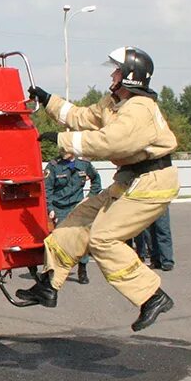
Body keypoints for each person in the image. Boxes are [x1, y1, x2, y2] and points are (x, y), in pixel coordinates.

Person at [17, 46, 179, 332]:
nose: (112, 74)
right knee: (73, 224)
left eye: (116, 70)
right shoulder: (113, 103)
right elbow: (81, 116)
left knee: (103, 238)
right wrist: (48, 100)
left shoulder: (140, 109)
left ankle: (152, 296)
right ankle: (48, 285)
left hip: (152, 182)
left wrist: (63, 141)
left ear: (130, 75)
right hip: (130, 180)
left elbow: (110, 143)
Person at [44, 149, 102, 284]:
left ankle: (83, 269)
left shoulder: (83, 164)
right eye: (61, 149)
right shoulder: (53, 166)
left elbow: (96, 181)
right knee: (59, 240)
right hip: (60, 208)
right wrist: (50, 209)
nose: (63, 151)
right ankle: (56, 271)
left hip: (78, 206)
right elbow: (47, 189)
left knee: (82, 239)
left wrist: (89, 198)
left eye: (66, 149)